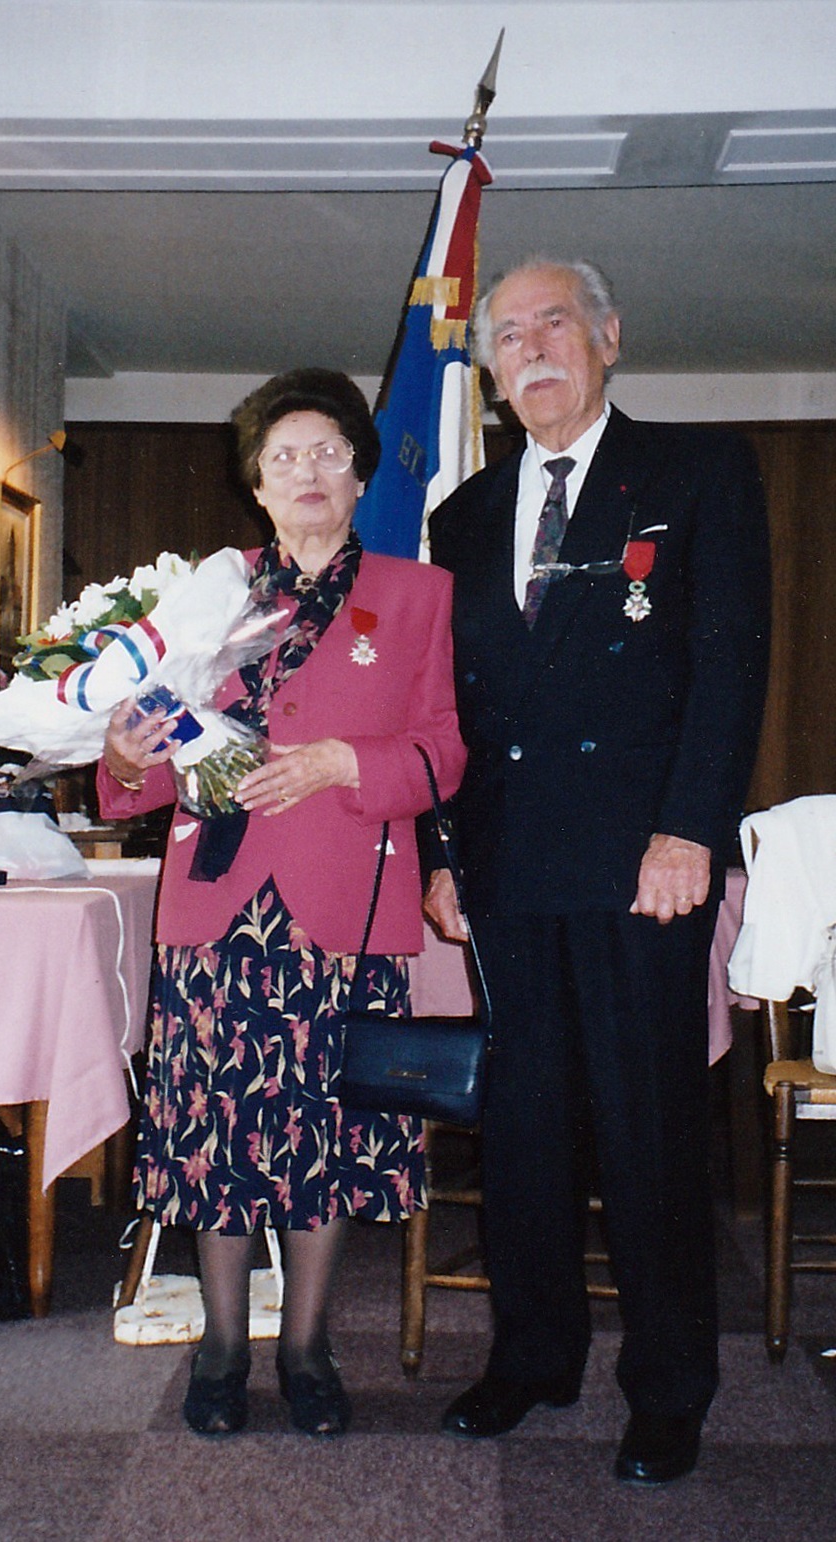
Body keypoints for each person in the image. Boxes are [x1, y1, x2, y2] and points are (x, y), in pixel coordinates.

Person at [427, 259, 771, 1484]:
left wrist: (689, 829)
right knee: (522, 1129)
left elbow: (728, 662)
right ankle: (532, 1357)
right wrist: (446, 854)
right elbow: (452, 705)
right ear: (489, 370)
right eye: (507, 335)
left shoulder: (696, 472)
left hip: (640, 865)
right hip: (508, 865)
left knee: (648, 1131)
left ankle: (669, 1388)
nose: (531, 348)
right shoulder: (464, 515)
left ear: (608, 337)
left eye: (553, 322)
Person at [98, 368, 466, 1439]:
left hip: (344, 906)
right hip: (215, 905)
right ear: (256, 484)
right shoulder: (204, 598)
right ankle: (221, 1347)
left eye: (328, 453)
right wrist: (123, 754)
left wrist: (347, 762)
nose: (308, 472)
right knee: (215, 1131)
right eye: (284, 457)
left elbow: (445, 752)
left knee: (323, 1133)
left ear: (360, 476)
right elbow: (140, 772)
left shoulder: (415, 596)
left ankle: (306, 1347)